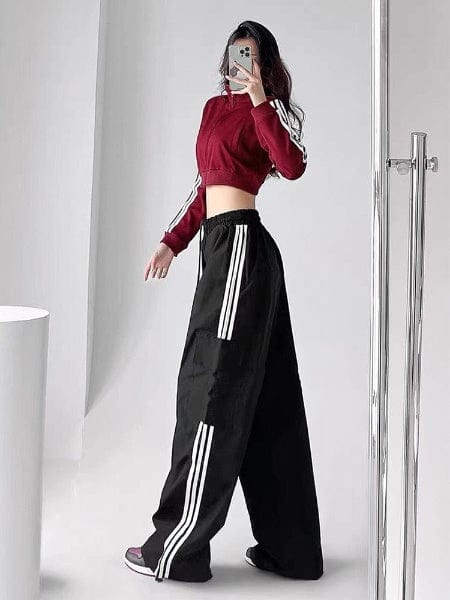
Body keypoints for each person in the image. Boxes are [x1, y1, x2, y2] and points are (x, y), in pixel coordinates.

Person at [124, 20, 324, 584]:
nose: (242, 63)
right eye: (238, 53)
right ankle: (291, 550)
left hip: (241, 248)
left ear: (264, 63)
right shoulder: (214, 109)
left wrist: (261, 99)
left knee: (209, 389)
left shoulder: (269, 110)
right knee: (265, 399)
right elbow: (203, 186)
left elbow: (292, 165)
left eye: (252, 55)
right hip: (219, 248)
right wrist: (171, 241)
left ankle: (178, 548)